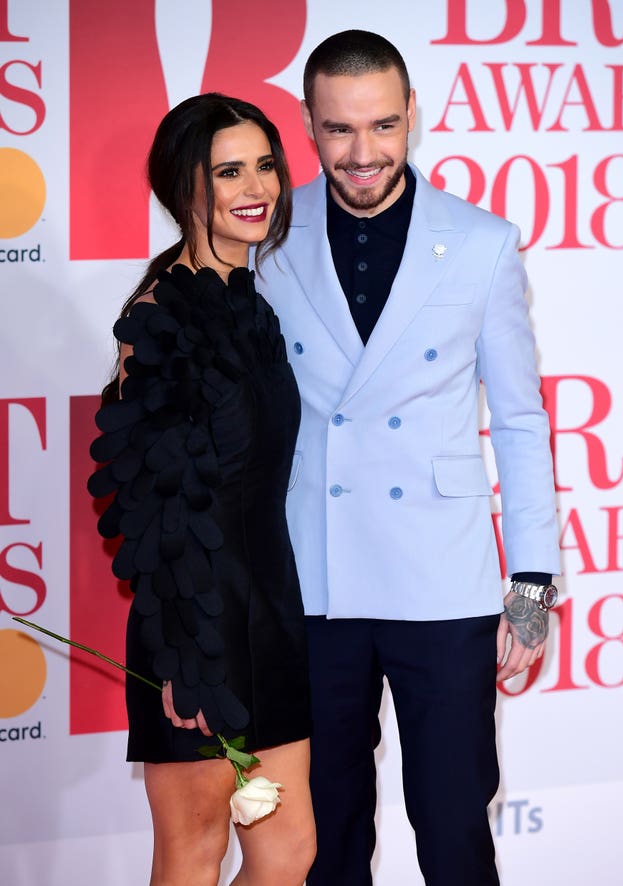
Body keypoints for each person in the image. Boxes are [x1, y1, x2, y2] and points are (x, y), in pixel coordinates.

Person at [256, 30, 562, 886]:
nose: (364, 154)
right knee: (327, 832)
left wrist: (531, 584)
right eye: (340, 131)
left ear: (413, 119)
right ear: (308, 126)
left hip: (442, 580)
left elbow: (520, 420)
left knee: (456, 822)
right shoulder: (266, 236)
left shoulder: (481, 241)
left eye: (383, 127)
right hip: (312, 576)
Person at [88, 93, 315, 886]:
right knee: (193, 857)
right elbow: (147, 507)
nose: (256, 186)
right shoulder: (159, 320)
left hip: (272, 614)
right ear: (184, 188)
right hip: (200, 630)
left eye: (264, 165)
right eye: (228, 171)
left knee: (290, 851)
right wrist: (187, 656)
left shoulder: (248, 306)